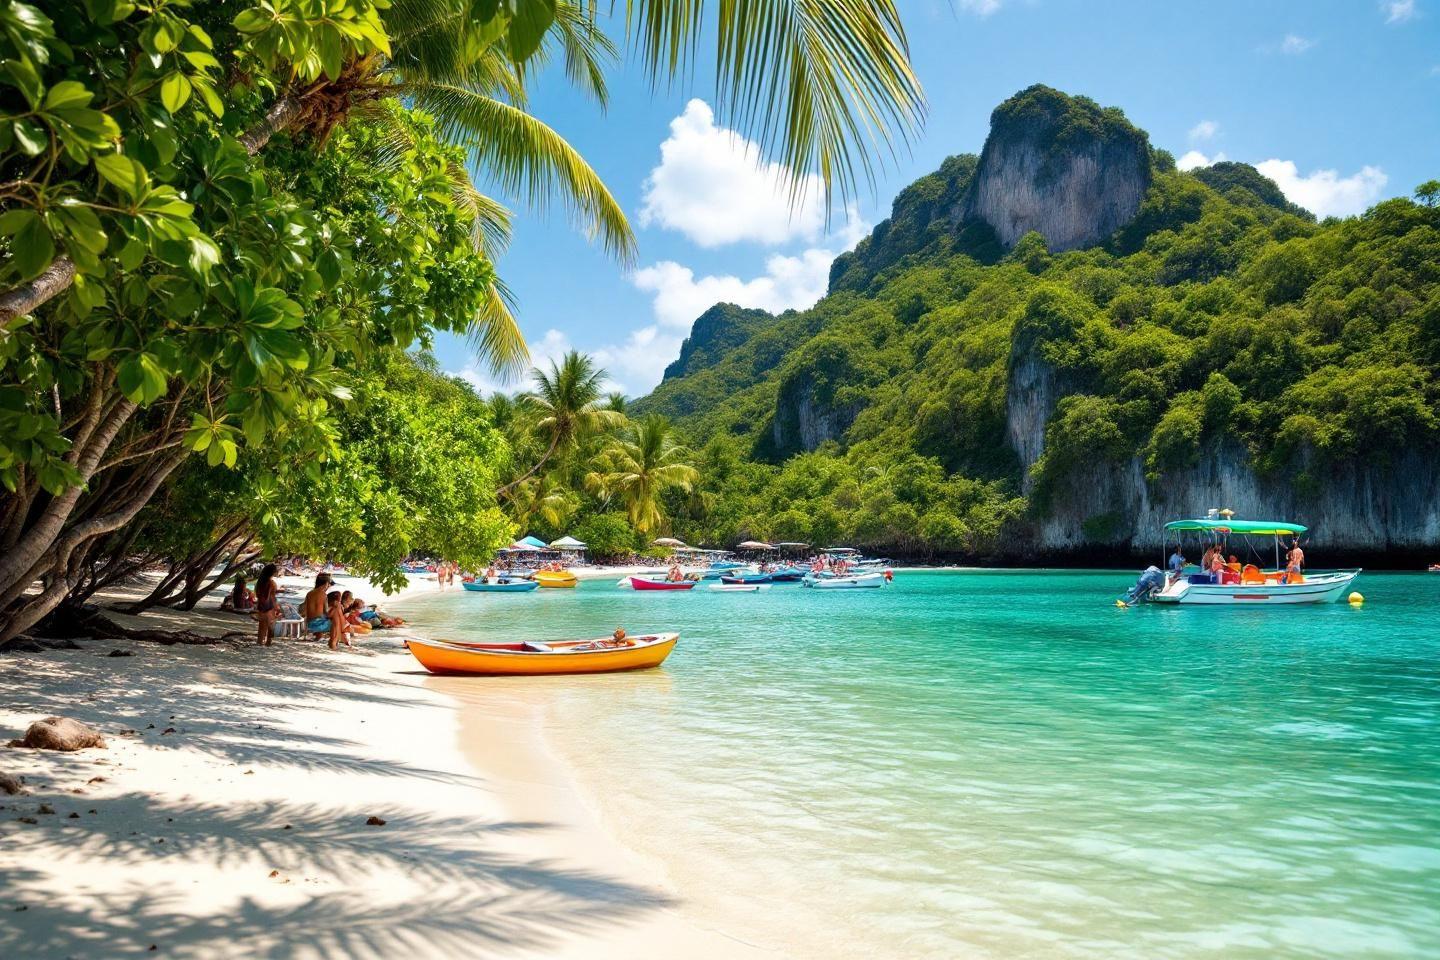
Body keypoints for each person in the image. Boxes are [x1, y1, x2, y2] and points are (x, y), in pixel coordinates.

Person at [253, 564, 279, 647]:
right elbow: (270, 596)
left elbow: (260, 595)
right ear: (272, 572)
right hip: (268, 605)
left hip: (261, 605)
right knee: (270, 626)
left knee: (262, 626)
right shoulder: (270, 582)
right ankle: (268, 642)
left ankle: (260, 642)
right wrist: (275, 607)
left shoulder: (260, 582)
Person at [302, 573, 332, 639]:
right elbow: (326, 611)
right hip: (318, 623)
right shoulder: (323, 595)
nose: (329, 585)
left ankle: (318, 634)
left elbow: (305, 608)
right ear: (326, 583)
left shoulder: (309, 593)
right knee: (337, 620)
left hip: (309, 623)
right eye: (328, 583)